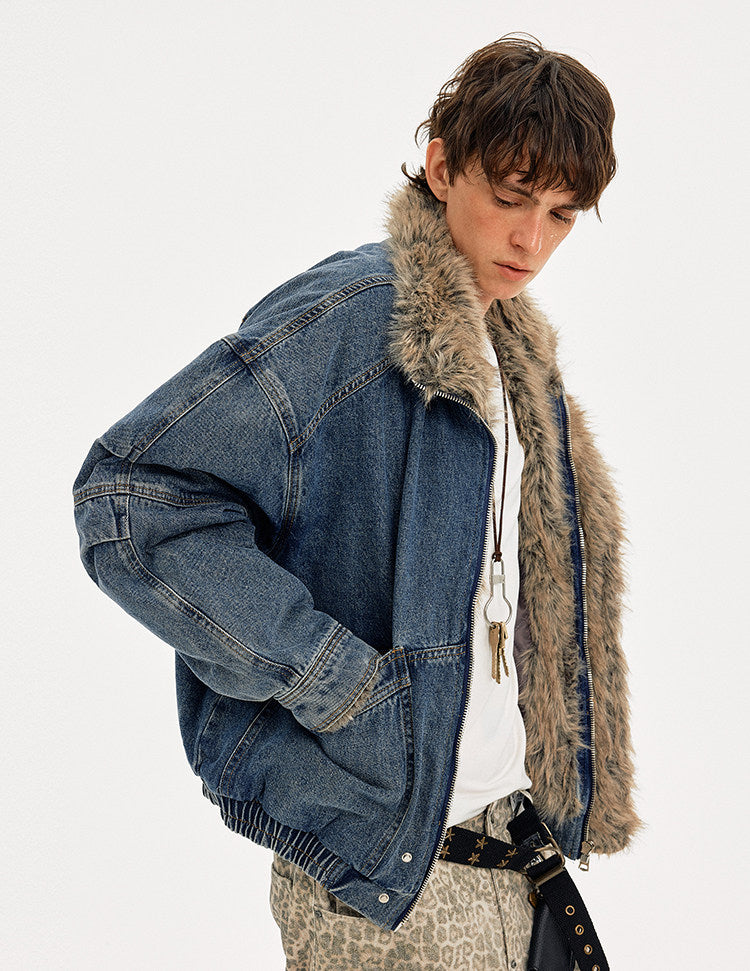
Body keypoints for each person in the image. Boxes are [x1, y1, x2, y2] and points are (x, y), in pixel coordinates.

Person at [73, 34, 639, 970]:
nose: (531, 241)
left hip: (504, 853)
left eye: (561, 213)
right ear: (441, 167)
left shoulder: (511, 354)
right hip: (385, 889)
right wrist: (337, 681)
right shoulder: (357, 318)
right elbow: (131, 497)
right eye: (510, 197)